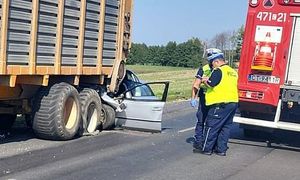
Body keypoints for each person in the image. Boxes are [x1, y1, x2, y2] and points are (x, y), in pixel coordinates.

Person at [200, 50, 238, 156]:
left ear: (216, 61)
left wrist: (204, 80)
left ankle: (206, 149)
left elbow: (212, 84)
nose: (212, 66)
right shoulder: (232, 71)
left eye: (212, 63)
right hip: (233, 102)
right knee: (225, 128)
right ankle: (221, 150)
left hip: (220, 103)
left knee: (211, 127)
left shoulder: (218, 71)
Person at [190, 48, 221, 151]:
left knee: (210, 121)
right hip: (205, 97)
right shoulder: (204, 69)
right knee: (202, 119)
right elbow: (196, 84)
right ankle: (199, 141)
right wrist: (193, 97)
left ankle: (208, 142)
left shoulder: (220, 69)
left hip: (216, 98)